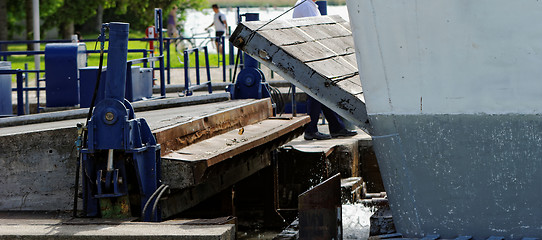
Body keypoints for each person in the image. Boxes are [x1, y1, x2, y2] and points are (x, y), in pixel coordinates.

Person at [293, 0, 357, 140]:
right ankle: (311, 130)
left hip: (311, 54)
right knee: (317, 93)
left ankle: (336, 127)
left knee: (323, 92)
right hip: (310, 55)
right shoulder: (306, 5)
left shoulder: (308, 5)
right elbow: (315, 30)